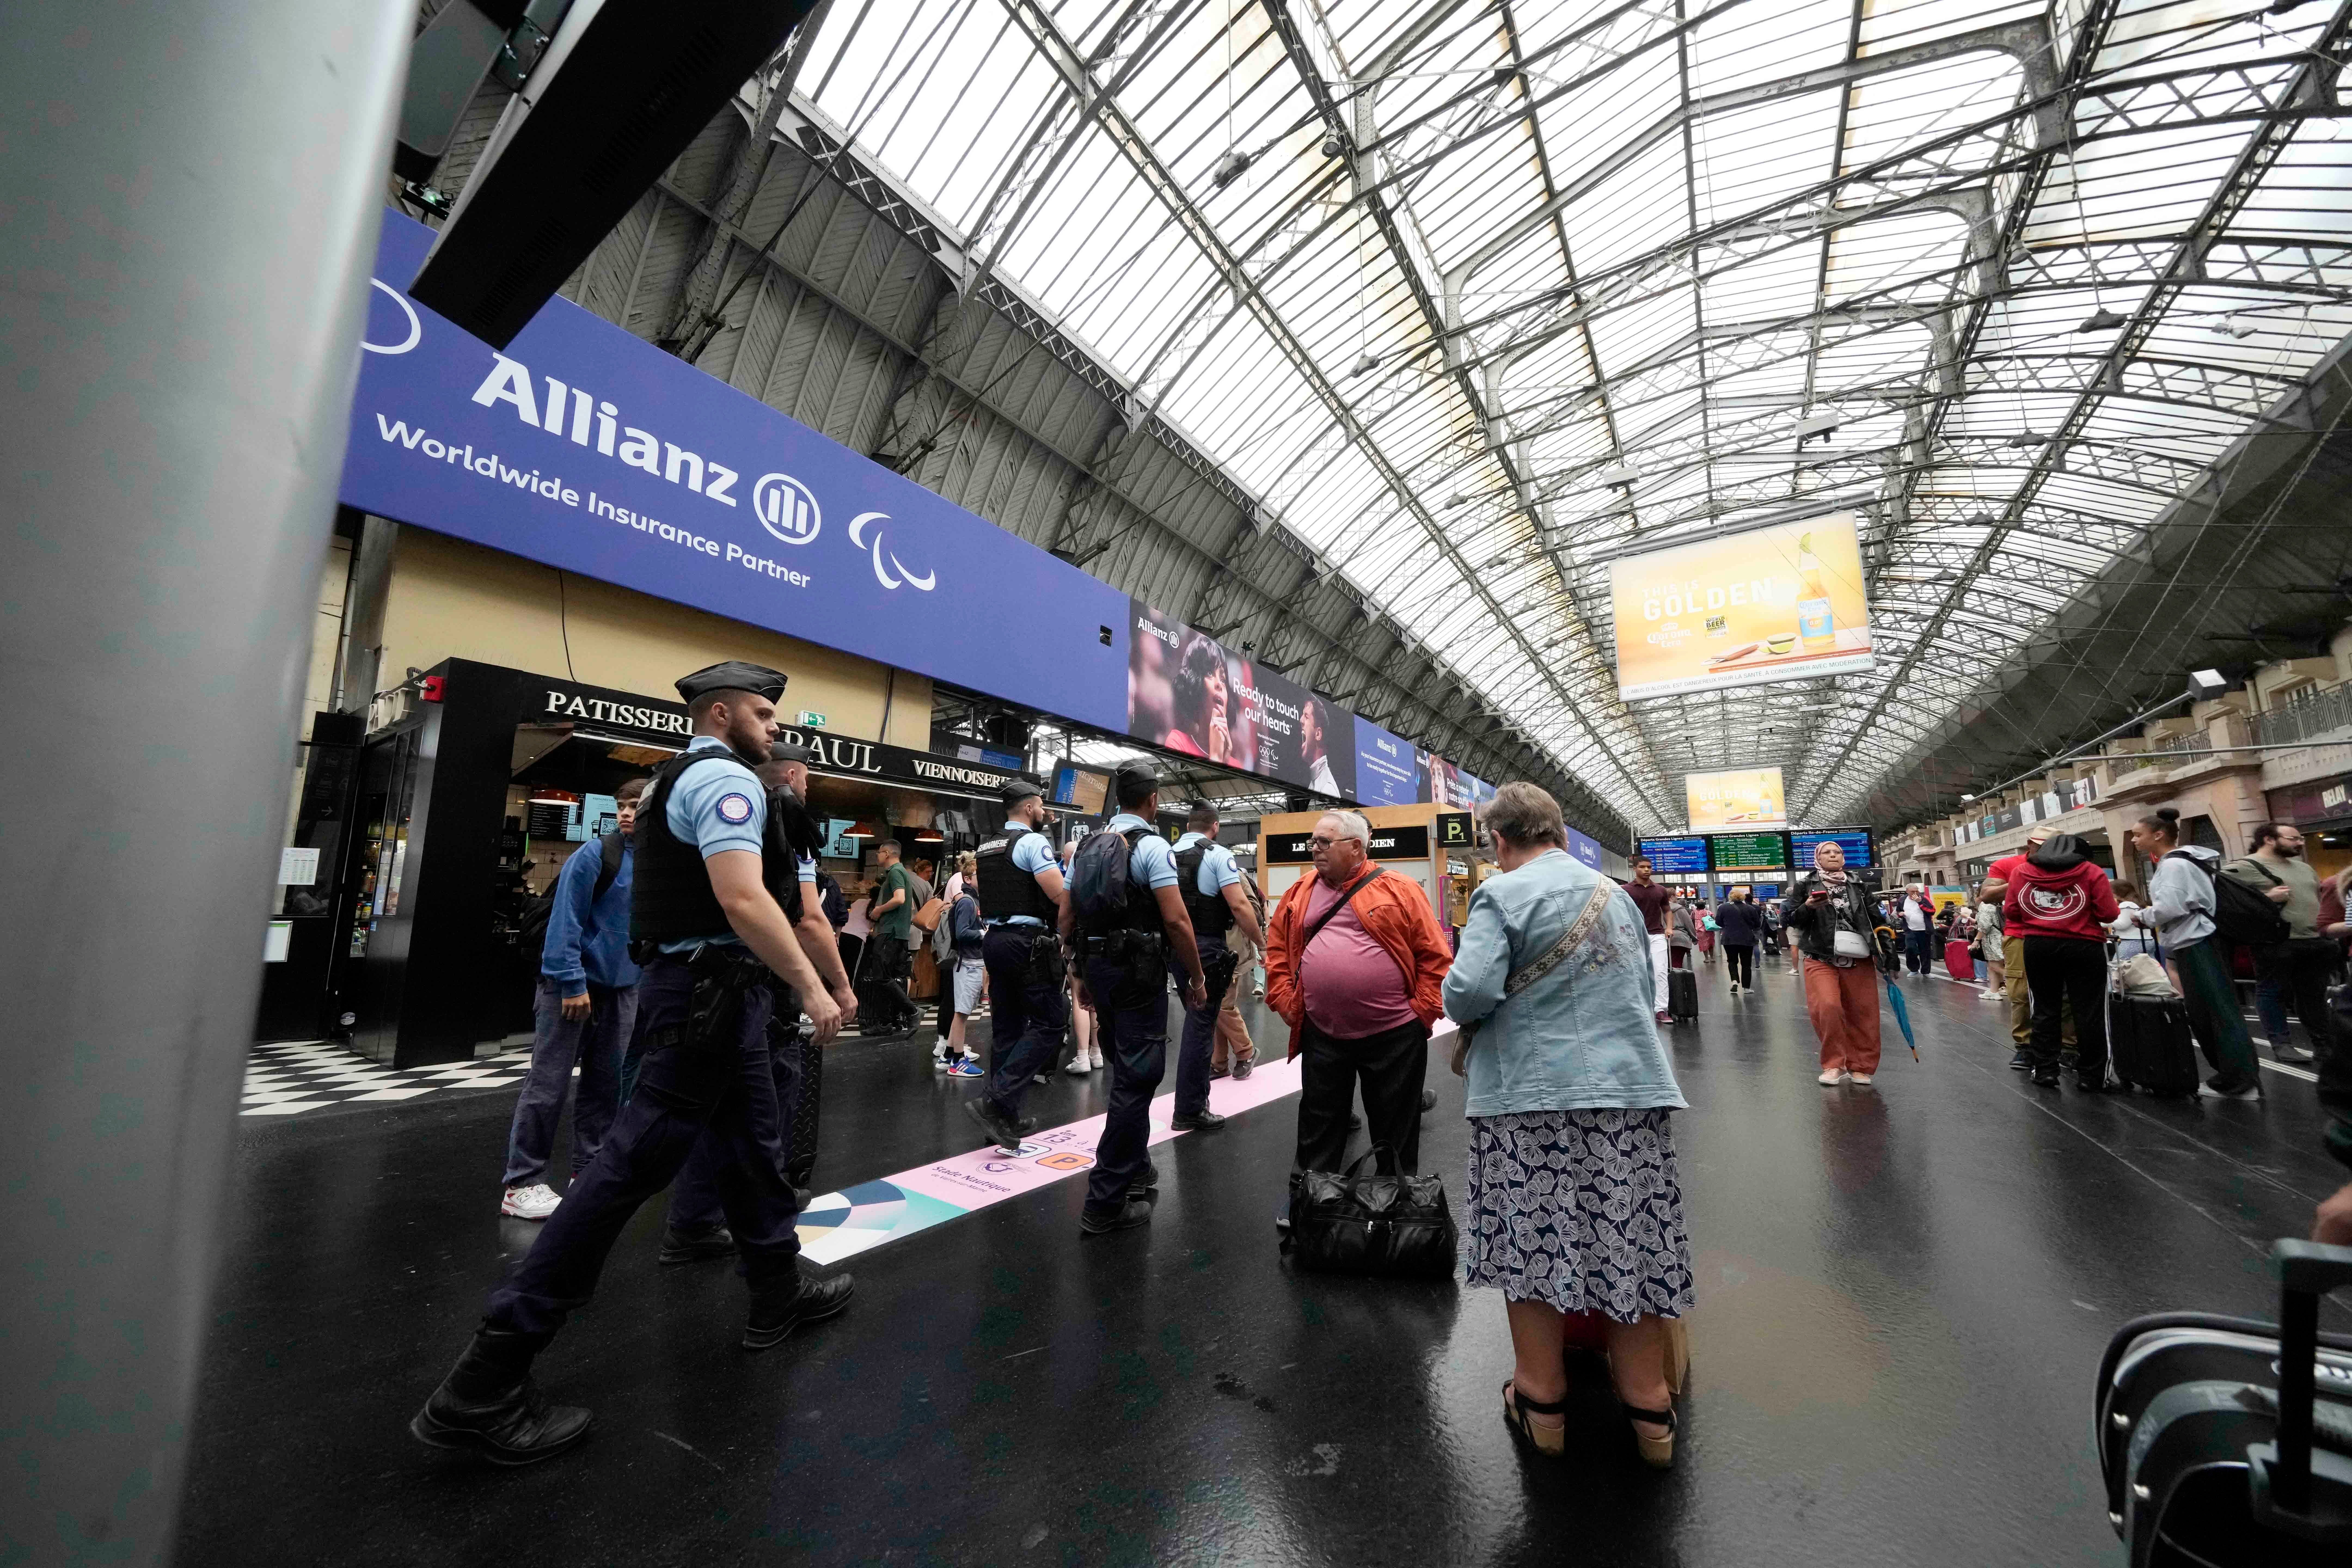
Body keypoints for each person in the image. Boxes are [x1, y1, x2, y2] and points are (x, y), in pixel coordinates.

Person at [411, 662, 848, 1466]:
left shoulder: (666, 785)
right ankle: (486, 1378)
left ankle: (778, 1289)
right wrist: (814, 987)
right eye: (763, 711)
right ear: (721, 714)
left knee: (754, 1147)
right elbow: (743, 899)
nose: (776, 725)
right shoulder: (729, 784)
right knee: (625, 1168)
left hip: (711, 999)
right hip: (710, 1000)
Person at [1445, 783, 1691, 1469]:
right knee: (1628, 1235)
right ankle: (1648, 1406)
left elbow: (1467, 991)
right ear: (1557, 832)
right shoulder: (1614, 895)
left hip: (1532, 1094)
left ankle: (1542, 1398)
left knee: (1534, 1237)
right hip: (1627, 1092)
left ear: (1500, 839)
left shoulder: (1502, 894)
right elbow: (1641, 993)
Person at [1019, 760, 1206, 1235]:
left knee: (1127, 1072)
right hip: (1140, 971)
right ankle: (1105, 1200)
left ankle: (1137, 1170)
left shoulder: (1087, 846)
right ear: (1154, 801)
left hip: (1098, 966)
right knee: (1139, 1076)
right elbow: (1178, 921)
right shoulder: (1153, 847)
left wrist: (1076, 969)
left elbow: (1067, 912)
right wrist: (1196, 976)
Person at [1265, 808, 1453, 1177]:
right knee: (1318, 1124)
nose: (1314, 849)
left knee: (1395, 1129)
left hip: (1395, 1035)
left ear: (1356, 847)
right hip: (1323, 1033)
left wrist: (1422, 1013)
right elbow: (1276, 948)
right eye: (1312, 841)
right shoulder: (1300, 891)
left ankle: (1396, 1204)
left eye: (1324, 842)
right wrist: (1287, 1000)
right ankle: (1311, 1202)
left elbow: (1435, 957)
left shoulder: (1400, 889)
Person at [500, 778, 647, 1221]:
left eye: (635, 806)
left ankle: (589, 1173)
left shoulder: (657, 863)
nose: (625, 814)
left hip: (622, 991)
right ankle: (521, 1184)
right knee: (548, 1085)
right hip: (572, 987)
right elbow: (565, 921)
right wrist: (570, 982)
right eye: (621, 806)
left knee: (607, 1087)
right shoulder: (595, 854)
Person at [2123, 808, 2261, 1098]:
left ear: (2158, 834)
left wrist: (2146, 916)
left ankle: (2238, 1082)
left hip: (2197, 942)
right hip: (2201, 939)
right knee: (2212, 1009)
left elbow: (2172, 906)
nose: (2134, 840)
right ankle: (2236, 1077)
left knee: (2213, 1010)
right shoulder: (2190, 860)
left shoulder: (2174, 866)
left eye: (2138, 835)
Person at [969, 777, 1069, 1108]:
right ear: (1029, 808)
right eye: (1040, 806)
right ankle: (999, 1097)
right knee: (1052, 1021)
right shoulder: (1032, 843)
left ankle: (1002, 1115)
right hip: (1026, 943)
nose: (1043, 811)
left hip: (994, 940)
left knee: (1007, 1029)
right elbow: (1058, 895)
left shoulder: (987, 847)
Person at [1164, 803, 1263, 1128]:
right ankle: (1190, 1109)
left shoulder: (1165, 853)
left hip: (1172, 948)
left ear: (1188, 824)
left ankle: (1216, 1069)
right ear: (1216, 827)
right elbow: (1238, 905)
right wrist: (1263, 944)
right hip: (1207, 946)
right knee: (1200, 1027)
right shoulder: (1218, 855)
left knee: (1201, 1019)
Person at [2002, 832, 2120, 1091]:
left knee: (2044, 1010)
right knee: (2090, 1011)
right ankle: (2093, 1077)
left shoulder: (2022, 872)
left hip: (2039, 946)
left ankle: (2044, 1071)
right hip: (2085, 946)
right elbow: (2109, 913)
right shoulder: (2091, 872)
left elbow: (2011, 910)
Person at [2224, 820, 2331, 1064]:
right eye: (2293, 839)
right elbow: (2224, 900)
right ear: (2270, 840)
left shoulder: (2304, 868)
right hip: (2274, 942)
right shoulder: (2244, 867)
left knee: (2313, 995)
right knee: (2272, 992)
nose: (2300, 843)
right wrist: (2266, 898)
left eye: (2301, 839)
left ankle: (2323, 1045)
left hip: (2314, 941)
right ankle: (2282, 1044)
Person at [1783, 840, 1883, 1086]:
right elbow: (1793, 920)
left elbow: (1877, 920)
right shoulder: (1806, 885)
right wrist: (1808, 907)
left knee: (1864, 1012)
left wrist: (1888, 957)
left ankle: (1861, 1066)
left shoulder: (1858, 885)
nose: (1833, 856)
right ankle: (1833, 1064)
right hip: (1821, 955)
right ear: (1818, 857)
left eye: (1837, 852)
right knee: (1828, 1008)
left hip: (1858, 957)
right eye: (1827, 852)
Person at [863, 839, 919, 1035]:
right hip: (898, 933)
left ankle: (912, 1012)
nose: (877, 855)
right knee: (889, 977)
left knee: (882, 977)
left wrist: (879, 910)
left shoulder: (896, 872)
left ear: (887, 853)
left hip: (891, 932)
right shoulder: (902, 873)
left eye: (879, 852)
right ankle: (886, 1022)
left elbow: (900, 899)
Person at [1058, 835, 1103, 1075]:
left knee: (1079, 997)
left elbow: (1065, 915)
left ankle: (1082, 1056)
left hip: (1078, 943)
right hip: (1101, 943)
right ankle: (1097, 1053)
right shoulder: (1103, 872)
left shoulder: (1073, 876)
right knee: (1095, 1000)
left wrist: (1066, 946)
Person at [1214, 874, 1267, 1079]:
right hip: (1213, 948)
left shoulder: (1231, 873)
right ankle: (1218, 1063)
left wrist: (1262, 944)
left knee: (1223, 1005)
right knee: (1215, 1005)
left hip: (1230, 948)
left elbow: (1251, 910)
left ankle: (1246, 1051)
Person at [939, 873, 987, 1071]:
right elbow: (962, 932)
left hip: (970, 962)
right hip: (968, 963)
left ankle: (948, 1055)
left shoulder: (971, 900)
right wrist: (985, 933)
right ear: (968, 879)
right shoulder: (968, 903)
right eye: (979, 873)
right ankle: (958, 1062)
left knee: (962, 1011)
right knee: (962, 1013)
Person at [1622, 857, 1671, 1022]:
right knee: (1634, 971)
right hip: (1634, 936)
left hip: (1657, 935)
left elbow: (1667, 910)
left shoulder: (1660, 890)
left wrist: (1669, 927)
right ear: (1635, 869)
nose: (1646, 870)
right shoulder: (1625, 890)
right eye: (1642, 867)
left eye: (1649, 867)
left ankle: (1661, 1009)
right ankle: (1636, 1008)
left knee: (1661, 971)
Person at [1713, 887, 1763, 995]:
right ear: (1742, 898)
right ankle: (1747, 988)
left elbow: (1718, 922)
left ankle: (1735, 981)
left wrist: (1727, 927)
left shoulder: (1724, 907)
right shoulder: (1751, 909)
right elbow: (1758, 925)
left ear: (1730, 897)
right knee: (1746, 964)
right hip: (1747, 939)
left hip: (1729, 939)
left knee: (1732, 961)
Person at [1974, 885, 2006, 1003]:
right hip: (2000, 938)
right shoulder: (1997, 905)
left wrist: (1976, 941)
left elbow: (1984, 926)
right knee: (1992, 966)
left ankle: (2018, 980)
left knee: (1994, 966)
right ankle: (1994, 991)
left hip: (1993, 940)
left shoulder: (1986, 907)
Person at [2108, 880, 2152, 960]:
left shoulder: (2126, 904)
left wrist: (2105, 923)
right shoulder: (2136, 904)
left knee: (2118, 968)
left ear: (2118, 892)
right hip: (2146, 941)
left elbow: (2123, 925)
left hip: (2132, 942)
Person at [1896, 886, 1933, 976]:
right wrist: (1900, 914)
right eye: (1913, 891)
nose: (1915, 893)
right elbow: (1899, 911)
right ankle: (1914, 970)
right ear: (1907, 892)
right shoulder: (1902, 900)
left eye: (1917, 891)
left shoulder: (1924, 899)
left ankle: (1926, 972)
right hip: (1910, 930)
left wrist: (1920, 903)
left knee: (1925, 951)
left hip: (1924, 930)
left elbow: (1932, 911)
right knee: (1910, 949)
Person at [1665, 890, 1698, 971]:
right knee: (1677, 964)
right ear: (1672, 897)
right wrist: (1694, 939)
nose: (1677, 898)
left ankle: (1667, 982)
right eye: (1676, 896)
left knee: (1665, 965)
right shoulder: (1680, 909)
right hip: (1680, 939)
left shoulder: (1659, 909)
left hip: (1663, 938)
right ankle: (1677, 982)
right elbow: (1689, 925)